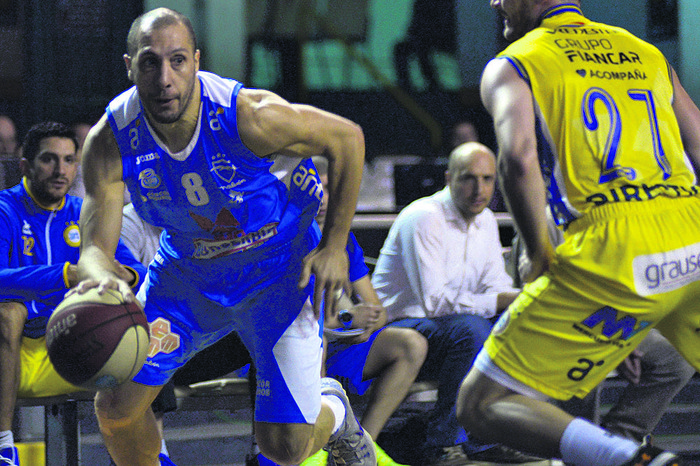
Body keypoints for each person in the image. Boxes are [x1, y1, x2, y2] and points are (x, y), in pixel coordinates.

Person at [71, 7, 372, 466]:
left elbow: (347, 138)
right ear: (129, 67)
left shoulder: (247, 115)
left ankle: (335, 410)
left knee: (285, 448)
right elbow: (94, 249)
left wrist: (334, 245)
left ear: (196, 60)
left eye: (177, 61)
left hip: (277, 272)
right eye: (150, 63)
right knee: (115, 409)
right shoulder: (111, 140)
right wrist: (99, 279)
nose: (165, 79)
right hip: (187, 278)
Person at [456, 1, 700, 465]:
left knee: (479, 404)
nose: (494, 2)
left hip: (613, 246)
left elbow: (519, 159)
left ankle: (626, 459)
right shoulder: (645, 52)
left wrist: (538, 256)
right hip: (692, 230)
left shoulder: (515, 64)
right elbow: (698, 142)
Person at [371, 142, 534, 465]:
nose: (480, 189)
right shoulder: (424, 217)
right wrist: (504, 298)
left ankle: (487, 438)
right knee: (472, 329)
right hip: (397, 331)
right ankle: (443, 443)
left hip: (446, 333)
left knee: (514, 325)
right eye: (468, 179)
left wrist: (517, 300)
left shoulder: (485, 219)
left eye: (487, 179)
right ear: (449, 178)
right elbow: (435, 303)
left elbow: (495, 285)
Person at [0, 121, 146, 465]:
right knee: (8, 313)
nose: (61, 170)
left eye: (69, 160)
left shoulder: (84, 212)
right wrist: (66, 274)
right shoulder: (5, 209)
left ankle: (142, 454)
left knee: (135, 319)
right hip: (19, 349)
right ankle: (3, 446)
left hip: (76, 341)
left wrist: (122, 274)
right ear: (26, 166)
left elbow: (131, 269)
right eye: (49, 160)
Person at [510, 210, 696, 443]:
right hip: (557, 326)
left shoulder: (622, 219)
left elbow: (628, 290)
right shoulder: (547, 221)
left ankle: (620, 440)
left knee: (676, 359)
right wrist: (609, 341)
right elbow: (537, 295)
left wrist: (621, 339)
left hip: (612, 323)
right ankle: (581, 448)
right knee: (586, 365)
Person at [299, 156, 428, 466]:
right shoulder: (286, 240)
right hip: (301, 344)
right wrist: (347, 320)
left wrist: (365, 324)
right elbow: (295, 318)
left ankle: (362, 445)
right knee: (316, 342)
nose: (322, 197)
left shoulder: (344, 241)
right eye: (314, 186)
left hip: (342, 343)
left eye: (328, 188)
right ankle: (313, 454)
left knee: (412, 342)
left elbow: (376, 309)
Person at [393, 0, 457, 92]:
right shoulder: (420, 2)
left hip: (446, 38)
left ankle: (433, 85)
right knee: (401, 48)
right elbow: (415, 25)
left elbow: (448, 23)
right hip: (424, 39)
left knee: (421, 46)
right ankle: (405, 87)